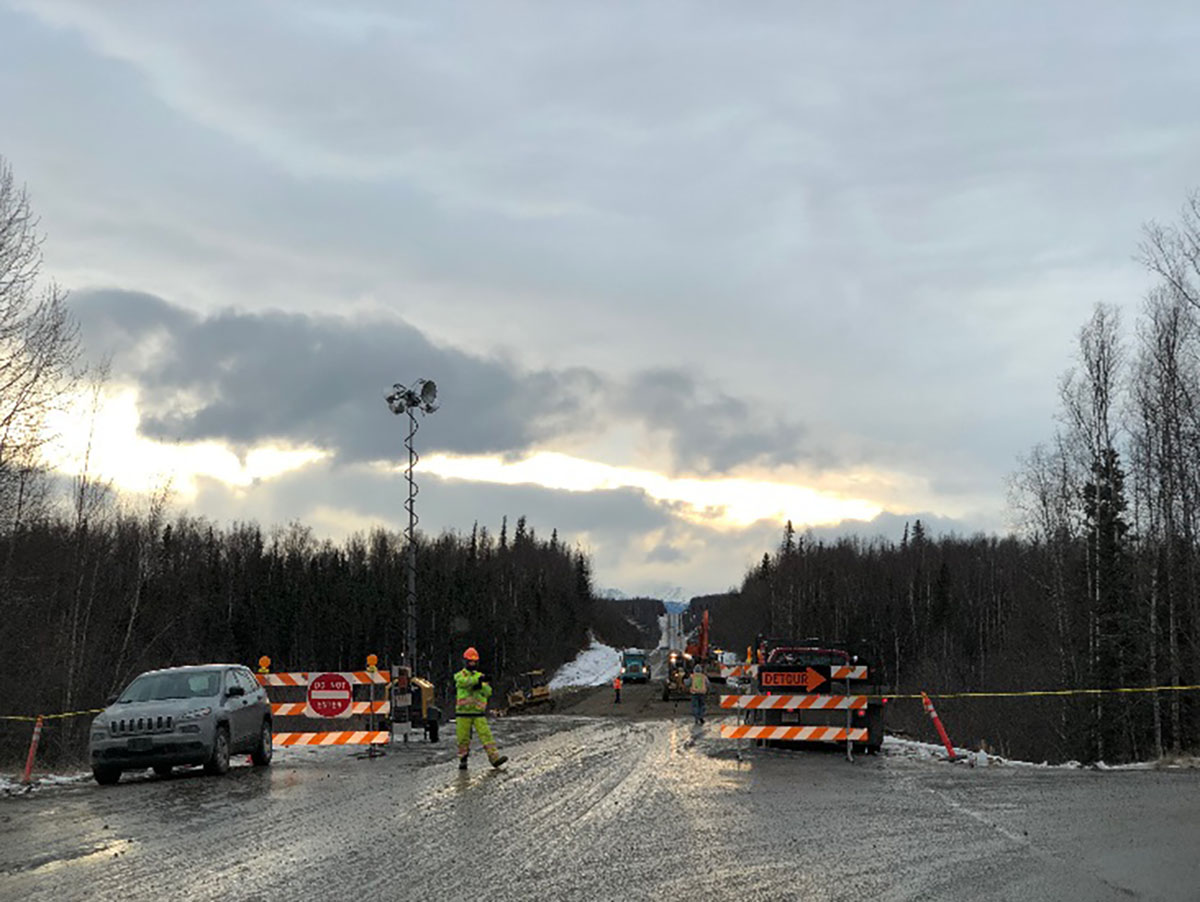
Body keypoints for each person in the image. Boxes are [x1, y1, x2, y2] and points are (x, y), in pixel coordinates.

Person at [454, 647, 508, 770]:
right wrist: (477, 681)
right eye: (470, 662)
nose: (472, 664)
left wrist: (480, 685)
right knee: (463, 738)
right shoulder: (459, 675)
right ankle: (463, 760)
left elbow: (488, 691)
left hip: (478, 713)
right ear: (466, 662)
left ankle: (494, 758)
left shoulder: (480, 676)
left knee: (486, 735)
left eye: (474, 662)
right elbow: (463, 682)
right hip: (463, 713)